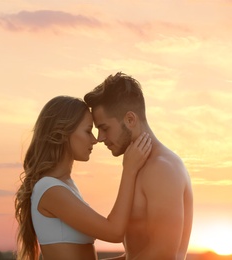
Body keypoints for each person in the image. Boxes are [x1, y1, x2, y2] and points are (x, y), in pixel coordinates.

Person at [14, 95, 152, 260]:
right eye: (88, 131)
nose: (95, 140)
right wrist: (129, 169)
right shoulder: (50, 189)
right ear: (63, 133)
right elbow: (114, 232)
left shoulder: (65, 185)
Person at [84, 72, 194, 260]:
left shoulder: (162, 168)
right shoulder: (137, 164)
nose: (100, 138)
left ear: (130, 120)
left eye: (105, 128)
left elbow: (163, 253)